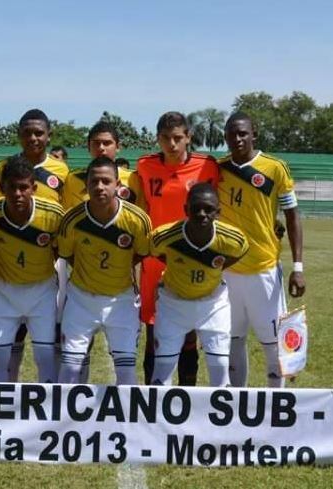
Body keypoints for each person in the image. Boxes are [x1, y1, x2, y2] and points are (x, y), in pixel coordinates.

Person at [218, 112, 306, 388]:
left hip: (263, 270)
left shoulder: (275, 168)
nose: (237, 138)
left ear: (254, 134)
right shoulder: (218, 169)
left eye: (243, 133)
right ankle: (235, 403)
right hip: (227, 272)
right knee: (232, 341)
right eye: (232, 134)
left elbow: (292, 215)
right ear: (225, 137)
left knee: (273, 343)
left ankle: (275, 404)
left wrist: (298, 267)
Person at [133, 111, 220, 385]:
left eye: (177, 138)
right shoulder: (145, 165)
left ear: (188, 137)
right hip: (155, 258)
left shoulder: (207, 166)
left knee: (189, 331)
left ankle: (187, 395)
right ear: (158, 138)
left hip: (192, 258)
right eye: (165, 138)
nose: (171, 144)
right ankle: (152, 396)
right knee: (153, 331)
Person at [58, 156, 151, 385]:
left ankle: (126, 412)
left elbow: (141, 253)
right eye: (94, 181)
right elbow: (68, 254)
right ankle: (67, 411)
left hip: (121, 301)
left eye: (106, 181)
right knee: (69, 369)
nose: (100, 186)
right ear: (86, 185)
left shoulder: (137, 219)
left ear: (118, 185)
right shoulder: (72, 220)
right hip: (81, 299)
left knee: (127, 374)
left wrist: (116, 272)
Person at [0, 109, 69, 381]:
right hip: (8, 260)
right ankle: (8, 384)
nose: (33, 138)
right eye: (27, 133)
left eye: (39, 133)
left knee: (48, 332)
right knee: (10, 333)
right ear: (19, 135)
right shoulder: (2, 168)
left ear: (49, 136)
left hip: (49, 259)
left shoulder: (61, 170)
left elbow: (65, 217)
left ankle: (48, 387)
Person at [150, 183, 249, 387]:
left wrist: (215, 266)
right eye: (196, 208)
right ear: (186, 209)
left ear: (218, 212)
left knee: (220, 370)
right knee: (162, 373)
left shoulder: (233, 239)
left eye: (209, 209)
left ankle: (221, 409)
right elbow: (155, 251)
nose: (202, 214)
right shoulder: (163, 236)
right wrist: (181, 265)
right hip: (173, 304)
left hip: (213, 304)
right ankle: (160, 409)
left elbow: (241, 251)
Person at [0, 155, 64, 383]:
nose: (17, 193)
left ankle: (47, 404)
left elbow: (59, 251)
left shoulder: (53, 214)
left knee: (45, 356)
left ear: (34, 188)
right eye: (12, 187)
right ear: (2, 188)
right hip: (3, 291)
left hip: (42, 291)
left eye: (24, 187)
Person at [62, 121, 138, 210]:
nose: (101, 148)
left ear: (118, 147)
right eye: (96, 143)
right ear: (88, 147)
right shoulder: (72, 179)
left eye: (107, 143)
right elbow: (67, 214)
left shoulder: (133, 179)